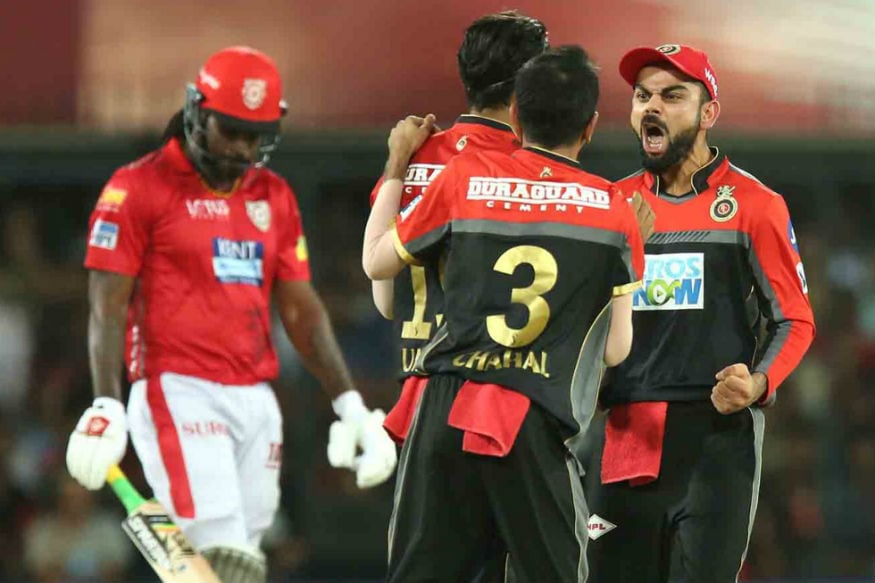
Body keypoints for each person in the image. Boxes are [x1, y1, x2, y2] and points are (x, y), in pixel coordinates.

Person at [64, 46, 397, 583]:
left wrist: (350, 403)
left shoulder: (275, 196)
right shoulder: (138, 187)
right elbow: (107, 303)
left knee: (243, 560)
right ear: (197, 112)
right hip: (177, 389)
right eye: (232, 131)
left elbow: (300, 308)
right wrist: (107, 401)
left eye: (255, 135)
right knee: (218, 557)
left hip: (256, 401)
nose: (243, 148)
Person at [363, 46, 646, 583]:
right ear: (590, 126)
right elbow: (616, 349)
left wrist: (397, 165)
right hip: (532, 420)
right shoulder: (614, 210)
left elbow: (377, 263)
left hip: (444, 407)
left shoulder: (463, 178)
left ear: (515, 115)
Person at [583, 43, 816, 583]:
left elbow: (795, 319)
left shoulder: (756, 205)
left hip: (716, 440)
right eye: (642, 96)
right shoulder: (611, 205)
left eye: (672, 96)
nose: (651, 106)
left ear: (708, 113)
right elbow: (581, 318)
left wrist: (757, 383)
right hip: (623, 435)